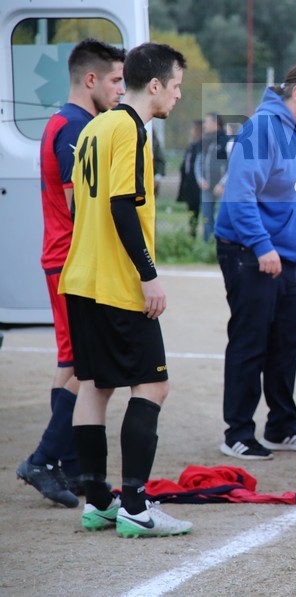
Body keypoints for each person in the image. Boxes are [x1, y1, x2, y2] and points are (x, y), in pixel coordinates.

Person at [59, 42, 192, 537]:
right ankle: (135, 506)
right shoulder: (132, 129)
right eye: (175, 86)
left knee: (94, 386)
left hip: (80, 277)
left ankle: (98, 502)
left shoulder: (94, 126)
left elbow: (78, 206)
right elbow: (121, 206)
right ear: (154, 85)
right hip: (116, 283)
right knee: (153, 386)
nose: (178, 95)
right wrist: (148, 273)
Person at [16, 39, 126, 509]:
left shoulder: (67, 122)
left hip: (63, 260)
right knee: (87, 367)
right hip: (71, 262)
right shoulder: (76, 130)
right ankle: (43, 459)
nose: (121, 89)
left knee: (71, 364)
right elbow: (81, 207)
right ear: (91, 79)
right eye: (116, 80)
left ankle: (69, 464)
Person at [215, 60, 296, 460]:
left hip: (291, 257)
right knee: (251, 342)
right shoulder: (261, 129)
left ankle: (282, 426)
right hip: (252, 253)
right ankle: (237, 432)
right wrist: (262, 245)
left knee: (287, 343)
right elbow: (239, 195)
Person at [198, 112, 229, 241]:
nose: (204, 125)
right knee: (206, 219)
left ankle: (219, 245)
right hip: (206, 187)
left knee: (221, 219)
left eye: (207, 122)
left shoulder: (227, 141)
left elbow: (232, 165)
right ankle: (207, 246)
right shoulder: (204, 141)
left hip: (222, 189)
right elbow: (198, 162)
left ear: (216, 124)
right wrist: (200, 179)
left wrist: (222, 184)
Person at [176, 119, 203, 238]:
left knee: (199, 211)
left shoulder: (201, 146)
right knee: (191, 212)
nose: (191, 131)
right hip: (189, 185)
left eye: (193, 128)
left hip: (198, 185)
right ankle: (192, 235)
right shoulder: (192, 146)